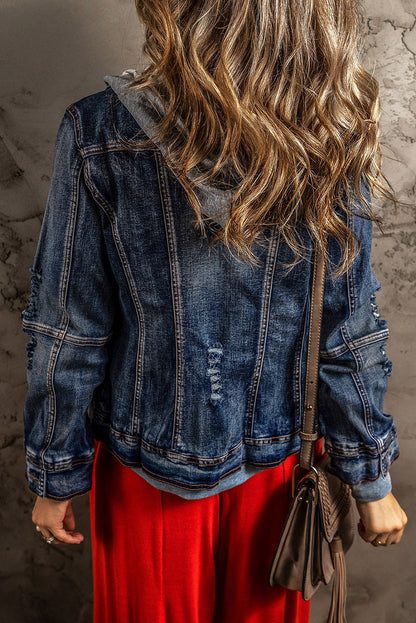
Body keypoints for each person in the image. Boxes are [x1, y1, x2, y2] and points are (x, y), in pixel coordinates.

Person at [23, 1, 407, 622]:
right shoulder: (332, 137)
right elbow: (346, 330)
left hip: (146, 472)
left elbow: (70, 327)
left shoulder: (99, 130)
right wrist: (371, 479)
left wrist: (55, 472)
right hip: (279, 473)